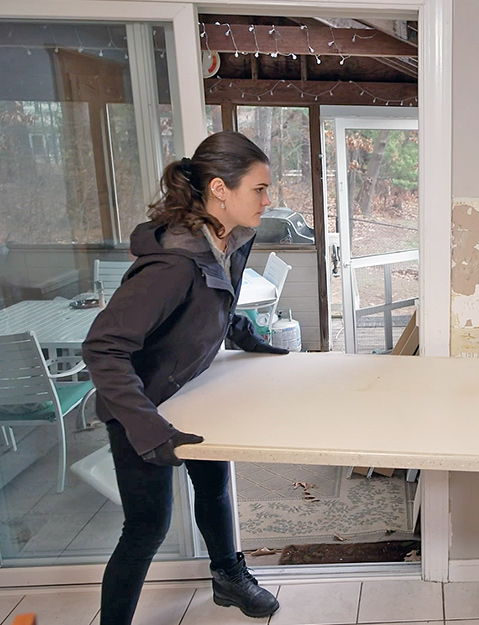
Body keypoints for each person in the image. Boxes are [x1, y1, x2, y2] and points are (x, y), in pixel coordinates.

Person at [82, 131, 290, 624]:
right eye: (259, 189)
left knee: (214, 486)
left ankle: (227, 578)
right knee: (147, 528)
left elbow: (211, 306)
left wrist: (244, 334)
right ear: (220, 189)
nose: (267, 199)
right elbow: (103, 348)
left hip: (192, 389)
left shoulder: (231, 237)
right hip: (139, 405)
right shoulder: (172, 264)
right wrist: (149, 429)